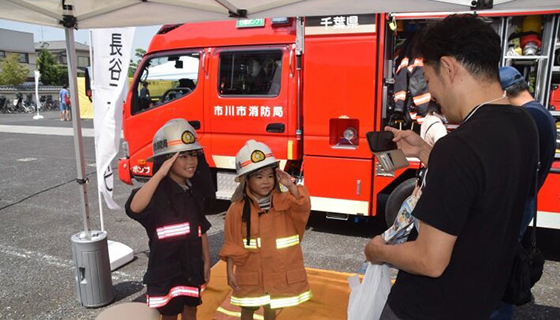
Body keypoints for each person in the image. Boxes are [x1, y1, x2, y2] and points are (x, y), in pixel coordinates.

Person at [364, 14, 538, 320]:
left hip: (426, 308)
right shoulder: (524, 124)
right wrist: (426, 152)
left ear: (448, 67)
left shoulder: (459, 147)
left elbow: (430, 260)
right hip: (480, 303)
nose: (432, 95)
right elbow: (482, 182)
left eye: (429, 81)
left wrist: (377, 251)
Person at [125, 119, 214, 320]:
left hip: (191, 267)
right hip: (166, 273)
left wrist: (206, 261)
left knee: (192, 309)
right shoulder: (157, 195)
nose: (191, 161)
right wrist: (160, 174)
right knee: (170, 315)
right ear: (166, 160)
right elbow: (134, 207)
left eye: (193, 155)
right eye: (182, 156)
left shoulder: (193, 191)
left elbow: (202, 229)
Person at [489, 66, 557, 320]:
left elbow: (513, 169)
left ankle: (497, 313)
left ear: (505, 92)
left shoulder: (528, 118)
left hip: (517, 203)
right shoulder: (541, 112)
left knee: (499, 270)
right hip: (525, 199)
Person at [219, 140, 312, 320]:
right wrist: (230, 272)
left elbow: (303, 205)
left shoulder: (286, 202)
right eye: (259, 177)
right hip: (250, 272)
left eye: (270, 176)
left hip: (276, 271)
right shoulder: (237, 209)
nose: (266, 182)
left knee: (271, 307)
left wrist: (291, 185)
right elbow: (232, 243)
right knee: (248, 309)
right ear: (247, 179)